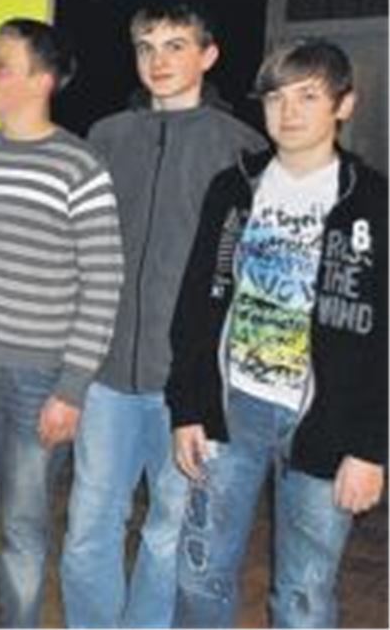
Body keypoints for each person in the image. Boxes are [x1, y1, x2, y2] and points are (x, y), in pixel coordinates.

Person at [60, 0, 266, 628]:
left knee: (168, 533)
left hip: (191, 386)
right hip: (105, 375)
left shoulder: (244, 150)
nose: (159, 60)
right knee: (88, 530)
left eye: (176, 46)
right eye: (147, 47)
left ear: (208, 56)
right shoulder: (105, 136)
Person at [166, 38, 386, 628]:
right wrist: (188, 407)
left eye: (308, 96)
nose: (288, 112)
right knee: (200, 573)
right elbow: (197, 307)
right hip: (232, 410)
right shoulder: (233, 188)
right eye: (276, 97)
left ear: (344, 105)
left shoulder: (373, 203)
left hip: (326, 423)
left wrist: (371, 448)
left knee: (305, 597)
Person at [0, 19, 124, 627]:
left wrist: (72, 389)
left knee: (22, 535)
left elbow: (104, 281)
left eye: (2, 64)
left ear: (42, 79)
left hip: (38, 382)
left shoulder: (79, 165)